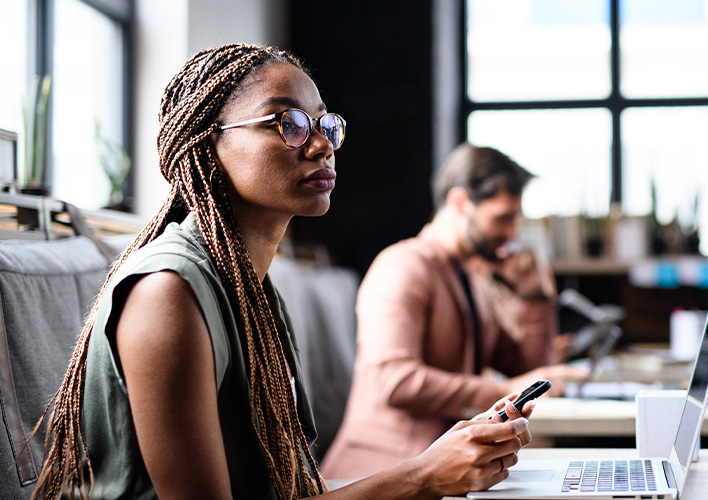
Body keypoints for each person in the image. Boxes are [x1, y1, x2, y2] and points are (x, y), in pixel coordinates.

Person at [32, 44, 535, 500]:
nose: (321, 146)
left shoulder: (251, 287)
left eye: (325, 125)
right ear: (208, 147)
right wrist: (422, 476)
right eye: (286, 123)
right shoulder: (168, 293)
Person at [321, 143, 584, 479]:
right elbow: (395, 380)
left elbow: (530, 368)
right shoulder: (403, 265)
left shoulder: (473, 278)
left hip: (443, 470)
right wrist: (504, 389)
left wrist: (533, 296)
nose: (511, 233)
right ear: (460, 203)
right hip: (380, 474)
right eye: (502, 218)